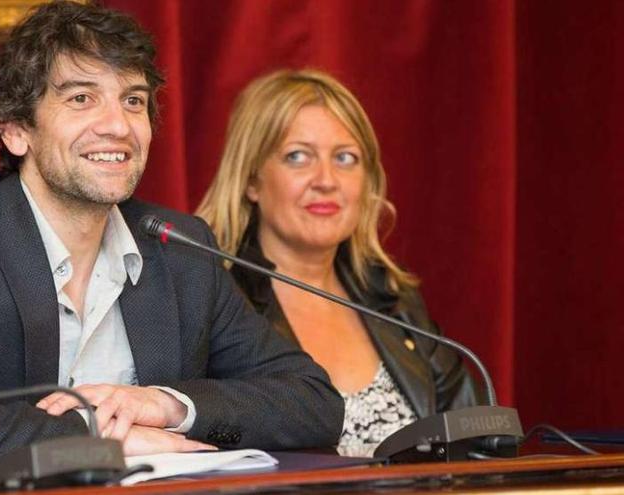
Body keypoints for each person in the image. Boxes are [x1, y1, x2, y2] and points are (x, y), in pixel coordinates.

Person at [0, 2, 342, 466]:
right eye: (81, 98)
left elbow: (314, 402)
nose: (118, 126)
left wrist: (167, 406)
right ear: (16, 130)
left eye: (133, 100)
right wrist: (99, 437)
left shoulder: (180, 250)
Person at [196, 69, 482, 457]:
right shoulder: (216, 305)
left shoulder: (396, 303)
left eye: (346, 158)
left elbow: (476, 446)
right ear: (251, 180)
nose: (326, 179)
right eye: (298, 157)